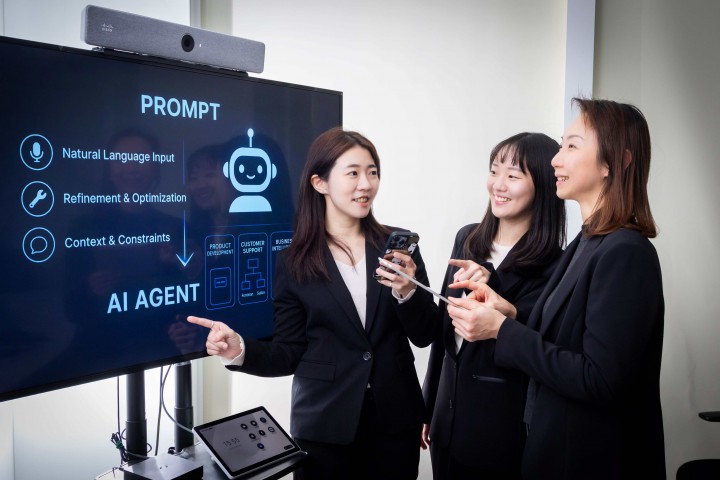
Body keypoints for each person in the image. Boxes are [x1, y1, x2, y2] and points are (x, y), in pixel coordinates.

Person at [187, 127, 439, 479]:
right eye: (353, 173)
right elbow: (290, 351)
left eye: (372, 172)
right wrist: (239, 350)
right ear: (320, 183)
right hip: (325, 426)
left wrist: (407, 291)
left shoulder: (397, 249)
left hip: (396, 422)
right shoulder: (294, 261)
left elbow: (426, 334)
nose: (366, 184)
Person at [447, 98, 665, 479]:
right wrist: (507, 310)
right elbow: (565, 341)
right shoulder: (586, 243)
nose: (555, 160)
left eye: (571, 146)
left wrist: (501, 330)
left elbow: (600, 380)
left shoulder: (626, 252)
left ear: (615, 162)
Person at [421, 132, 566, 479]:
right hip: (446, 422)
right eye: (494, 171)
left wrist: (493, 285)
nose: (498, 185)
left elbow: (539, 344)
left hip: (500, 432)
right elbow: (445, 332)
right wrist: (427, 406)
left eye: (513, 175)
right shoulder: (467, 239)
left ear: (544, 185)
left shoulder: (556, 264)